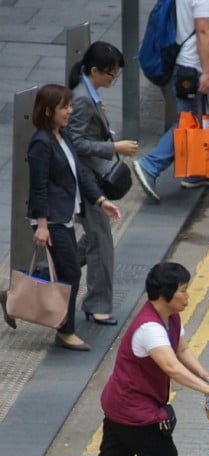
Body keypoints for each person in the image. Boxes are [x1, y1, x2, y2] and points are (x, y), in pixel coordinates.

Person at [66, 262, 209, 456]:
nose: (188, 297)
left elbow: (182, 350)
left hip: (122, 404)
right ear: (165, 294)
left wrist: (204, 374)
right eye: (183, 291)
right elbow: (171, 367)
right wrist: (205, 389)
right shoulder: (149, 328)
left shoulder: (171, 317)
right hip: (133, 410)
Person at [23, 84, 122, 351]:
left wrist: (101, 201)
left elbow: (81, 174)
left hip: (65, 215)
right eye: (64, 107)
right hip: (52, 219)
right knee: (70, 272)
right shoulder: (41, 143)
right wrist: (41, 224)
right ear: (48, 110)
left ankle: (13, 295)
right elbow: (38, 186)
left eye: (70, 105)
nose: (70, 111)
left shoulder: (63, 136)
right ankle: (65, 331)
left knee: (65, 268)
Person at [67, 41, 138, 326]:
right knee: (102, 244)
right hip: (86, 181)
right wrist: (114, 147)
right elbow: (76, 143)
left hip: (88, 179)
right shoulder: (83, 97)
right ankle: (97, 304)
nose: (114, 79)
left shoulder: (88, 92)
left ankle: (38, 276)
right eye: (111, 74)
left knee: (94, 239)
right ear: (94, 70)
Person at [133, 0, 209, 202]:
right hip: (191, 67)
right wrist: (208, 71)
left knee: (194, 119)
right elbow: (203, 31)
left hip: (181, 64)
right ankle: (150, 165)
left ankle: (196, 173)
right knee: (189, 123)